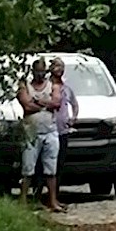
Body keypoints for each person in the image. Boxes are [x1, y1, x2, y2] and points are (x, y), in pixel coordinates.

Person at [18, 58, 65, 212]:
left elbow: (57, 103)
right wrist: (46, 103)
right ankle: (23, 201)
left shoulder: (54, 86)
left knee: (51, 169)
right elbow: (26, 105)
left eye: (42, 71)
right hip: (30, 133)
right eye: (37, 71)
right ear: (33, 72)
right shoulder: (25, 86)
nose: (40, 74)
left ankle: (52, 201)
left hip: (50, 132)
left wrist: (37, 101)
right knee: (27, 169)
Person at [50, 57, 78, 197]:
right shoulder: (47, 87)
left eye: (62, 67)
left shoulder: (67, 88)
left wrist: (73, 118)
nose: (59, 69)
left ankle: (56, 194)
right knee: (46, 164)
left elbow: (75, 104)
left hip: (63, 131)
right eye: (56, 66)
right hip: (49, 130)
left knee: (60, 164)